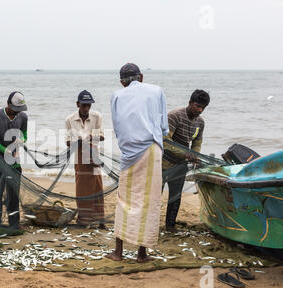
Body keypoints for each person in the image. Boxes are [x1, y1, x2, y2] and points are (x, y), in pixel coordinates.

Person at [106, 63, 169, 262]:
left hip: (129, 154)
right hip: (152, 150)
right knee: (149, 200)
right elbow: (164, 127)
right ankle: (142, 254)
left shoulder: (116, 95)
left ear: (122, 82)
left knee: (124, 198)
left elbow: (117, 128)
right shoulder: (157, 91)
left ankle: (118, 252)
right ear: (141, 77)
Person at [162, 90, 210, 231]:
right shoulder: (174, 116)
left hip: (180, 165)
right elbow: (165, 142)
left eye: (203, 108)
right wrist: (186, 154)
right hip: (162, 162)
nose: (199, 110)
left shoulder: (200, 122)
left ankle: (170, 226)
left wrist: (195, 155)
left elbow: (197, 141)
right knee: (155, 195)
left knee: (175, 196)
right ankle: (149, 224)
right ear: (190, 102)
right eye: (197, 106)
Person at [65, 90, 106, 229]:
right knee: (82, 189)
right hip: (79, 157)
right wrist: (78, 141)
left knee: (97, 188)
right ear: (78, 104)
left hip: (94, 155)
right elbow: (68, 142)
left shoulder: (97, 116)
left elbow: (101, 136)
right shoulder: (70, 119)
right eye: (84, 105)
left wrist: (88, 138)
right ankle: (83, 220)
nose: (86, 108)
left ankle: (101, 221)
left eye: (89, 105)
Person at [0, 92, 28, 229]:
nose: (17, 113)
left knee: (14, 194)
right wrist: (5, 150)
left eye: (19, 110)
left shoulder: (23, 117)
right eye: (15, 109)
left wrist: (21, 140)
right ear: (8, 104)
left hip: (14, 162)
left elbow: (25, 134)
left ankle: (14, 223)